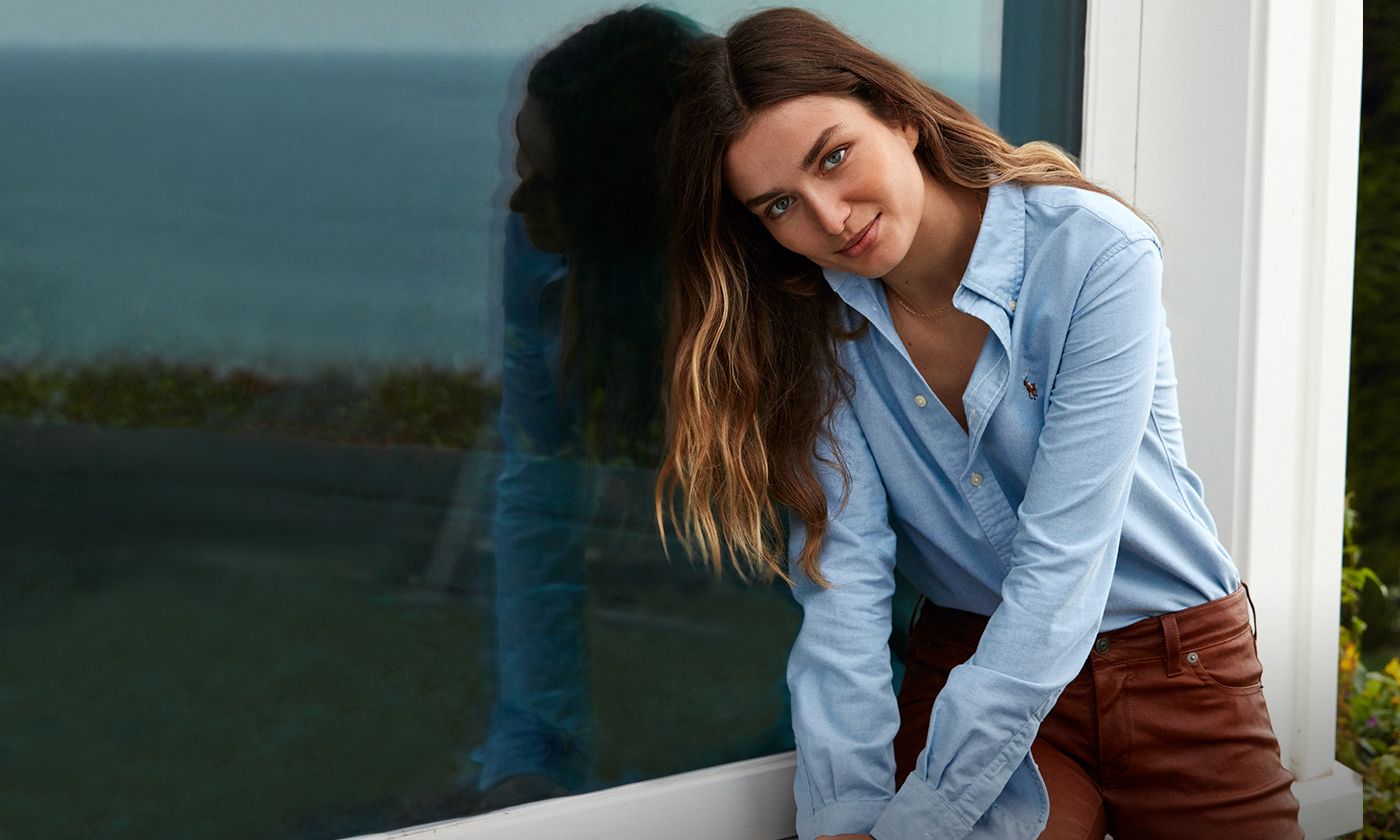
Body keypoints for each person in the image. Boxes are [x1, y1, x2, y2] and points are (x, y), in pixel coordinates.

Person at [656, 8, 1303, 840]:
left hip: (1178, 663)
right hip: (967, 659)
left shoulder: (1096, 254)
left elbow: (1062, 568)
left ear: (901, 117)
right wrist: (847, 814)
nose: (828, 216)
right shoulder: (811, 332)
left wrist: (914, 825)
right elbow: (843, 584)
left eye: (835, 156)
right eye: (780, 203)